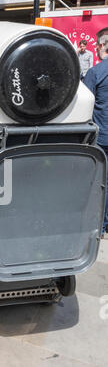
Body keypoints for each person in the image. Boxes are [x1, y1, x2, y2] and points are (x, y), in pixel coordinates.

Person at [83, 28, 108, 236]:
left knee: (99, 182)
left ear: (101, 46)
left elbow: (83, 106)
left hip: (102, 136)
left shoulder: (95, 73)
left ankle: (98, 226)